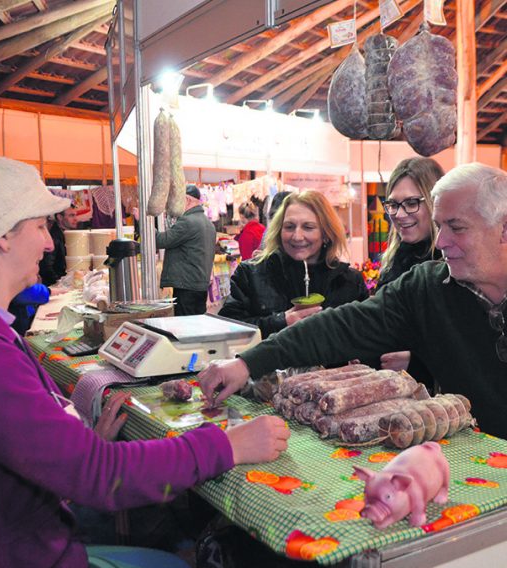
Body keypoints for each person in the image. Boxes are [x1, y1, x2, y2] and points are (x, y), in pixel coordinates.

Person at [0, 156, 290, 568]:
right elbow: (100, 478)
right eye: (38, 227)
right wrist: (226, 445)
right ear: (1, 237)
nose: (49, 245)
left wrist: (80, 441)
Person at [199, 163, 507, 440]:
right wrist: (246, 363)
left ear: (503, 228)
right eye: (440, 226)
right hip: (479, 459)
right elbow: (341, 326)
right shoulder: (426, 287)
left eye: (457, 227)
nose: (441, 242)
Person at [219, 190, 369, 338]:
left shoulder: (349, 281)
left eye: (308, 227)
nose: (297, 236)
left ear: (326, 233)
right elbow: (229, 328)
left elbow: (365, 335)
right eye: (289, 227)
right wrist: (281, 321)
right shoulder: (251, 274)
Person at [376, 157, 444, 386]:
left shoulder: (451, 262)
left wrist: (417, 363)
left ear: (435, 202)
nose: (399, 214)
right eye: (393, 204)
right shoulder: (395, 260)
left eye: (412, 202)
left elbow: (469, 343)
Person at [156, 184, 216, 316]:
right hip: (199, 284)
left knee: (185, 328)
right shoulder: (208, 223)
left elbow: (161, 240)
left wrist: (144, 223)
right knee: (197, 325)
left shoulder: (188, 221)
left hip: (186, 286)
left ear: (187, 200)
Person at [39, 203, 78, 285]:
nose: (76, 219)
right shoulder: (54, 237)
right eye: (71, 215)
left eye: (75, 215)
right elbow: (46, 267)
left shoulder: (65, 234)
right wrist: (59, 284)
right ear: (60, 217)